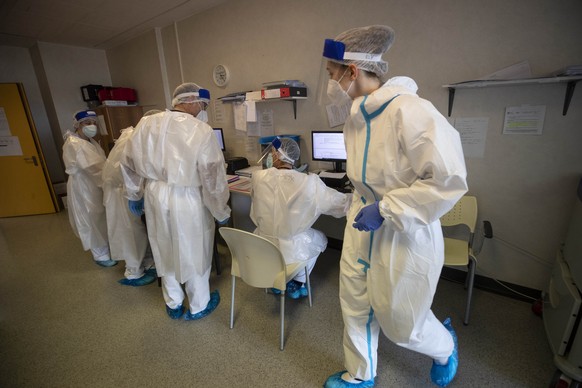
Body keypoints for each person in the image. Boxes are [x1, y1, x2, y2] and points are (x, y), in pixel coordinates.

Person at [319, 26, 468, 387]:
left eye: (332, 74)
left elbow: (447, 180)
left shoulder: (413, 111)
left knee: (402, 322)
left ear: (352, 71)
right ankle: (360, 375)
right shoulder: (357, 114)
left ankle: (445, 346)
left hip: (405, 232)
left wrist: (387, 209)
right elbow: (365, 177)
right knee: (354, 307)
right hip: (362, 226)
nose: (331, 83)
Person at [120, 83, 230, 320]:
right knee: (195, 248)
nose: (202, 108)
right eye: (202, 103)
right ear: (190, 100)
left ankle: (173, 303)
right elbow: (212, 175)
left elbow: (127, 161)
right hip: (188, 197)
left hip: (154, 195)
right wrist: (220, 208)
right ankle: (199, 304)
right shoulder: (201, 130)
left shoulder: (146, 123)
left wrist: (134, 194)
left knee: (163, 247)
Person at [250, 137, 351, 298]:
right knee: (320, 239)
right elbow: (338, 204)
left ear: (277, 155)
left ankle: (281, 278)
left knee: (304, 238)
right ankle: (298, 281)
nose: (271, 155)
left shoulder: (258, 177)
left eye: (273, 152)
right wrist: (357, 198)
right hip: (291, 247)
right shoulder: (310, 182)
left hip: (263, 243)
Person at [102, 110, 162, 286]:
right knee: (130, 233)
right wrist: (135, 195)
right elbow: (124, 172)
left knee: (141, 232)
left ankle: (147, 264)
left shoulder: (142, 137)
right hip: (122, 194)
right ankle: (133, 272)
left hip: (131, 191)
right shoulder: (131, 139)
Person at [62, 110, 116, 267]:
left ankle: (105, 248)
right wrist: (113, 177)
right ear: (78, 125)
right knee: (90, 218)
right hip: (83, 185)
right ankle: (100, 255)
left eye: (94, 123)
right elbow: (93, 167)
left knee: (99, 216)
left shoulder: (90, 141)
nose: (92, 126)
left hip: (94, 183)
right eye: (87, 123)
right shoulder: (74, 143)